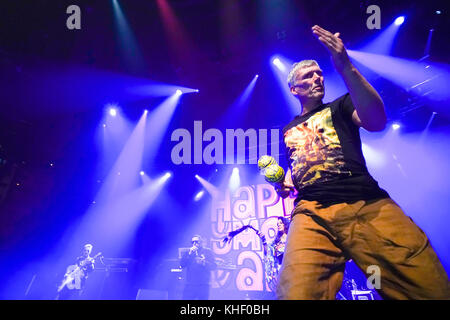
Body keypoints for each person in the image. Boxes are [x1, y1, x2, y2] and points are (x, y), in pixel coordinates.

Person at [275, 25, 450, 300]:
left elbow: (376, 121)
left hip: (363, 202)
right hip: (311, 212)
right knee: (296, 292)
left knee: (424, 285)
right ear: (294, 89)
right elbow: (298, 164)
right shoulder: (287, 130)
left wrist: (346, 67)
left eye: (320, 73)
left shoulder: (341, 106)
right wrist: (286, 181)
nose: (318, 78)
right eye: (309, 76)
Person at [180, 235, 216, 300]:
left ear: (201, 242)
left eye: (196, 241)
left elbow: (214, 266)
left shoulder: (207, 251)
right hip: (190, 284)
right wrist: (189, 254)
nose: (194, 243)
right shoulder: (188, 252)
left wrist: (204, 263)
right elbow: (182, 265)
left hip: (203, 284)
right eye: (192, 242)